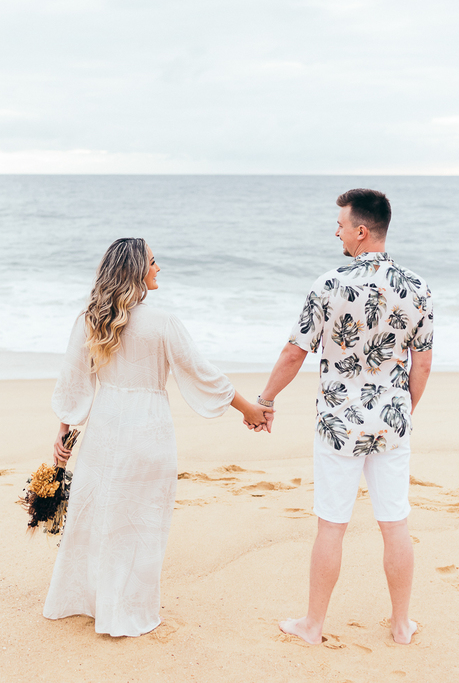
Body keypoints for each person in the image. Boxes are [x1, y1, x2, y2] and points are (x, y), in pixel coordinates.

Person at [43, 237, 272, 637]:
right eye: (153, 261)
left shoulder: (91, 319)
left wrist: (64, 431)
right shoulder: (163, 323)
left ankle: (90, 602)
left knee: (97, 517)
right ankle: (125, 611)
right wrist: (249, 409)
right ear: (135, 270)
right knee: (141, 523)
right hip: (148, 431)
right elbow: (202, 374)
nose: (159, 267)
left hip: (104, 429)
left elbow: (73, 380)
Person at [257, 188, 433, 646]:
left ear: (361, 231)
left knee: (332, 525)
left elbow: (294, 353)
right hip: (391, 422)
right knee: (394, 523)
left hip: (338, 424)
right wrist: (401, 413)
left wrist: (266, 399)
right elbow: (423, 364)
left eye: (341, 225)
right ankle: (401, 625)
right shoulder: (417, 287)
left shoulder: (328, 285)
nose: (336, 232)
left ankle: (313, 625)